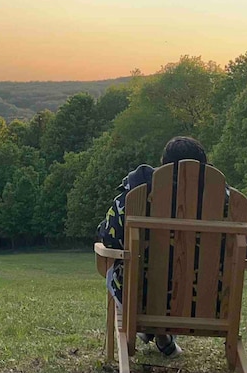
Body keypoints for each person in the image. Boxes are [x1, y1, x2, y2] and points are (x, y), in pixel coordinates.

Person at [96, 135, 237, 359]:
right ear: (206, 167)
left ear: (162, 165)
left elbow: (110, 238)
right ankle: (162, 338)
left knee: (122, 270)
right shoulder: (227, 202)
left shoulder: (137, 193)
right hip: (207, 305)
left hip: (142, 301)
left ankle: (149, 329)